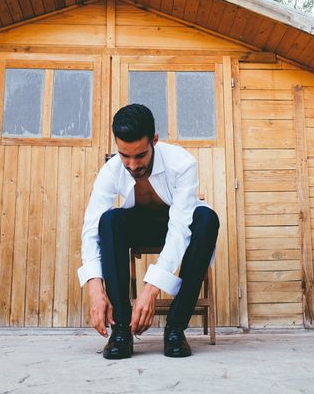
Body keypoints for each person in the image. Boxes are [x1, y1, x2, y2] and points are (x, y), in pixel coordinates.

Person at [77, 104, 219, 359]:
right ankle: (121, 330)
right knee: (109, 220)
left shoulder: (182, 163)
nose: (132, 165)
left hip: (177, 225)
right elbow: (91, 228)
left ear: (154, 140)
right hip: (141, 227)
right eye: (124, 155)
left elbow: (179, 229)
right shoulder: (111, 170)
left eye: (140, 155)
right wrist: (95, 288)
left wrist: (151, 289)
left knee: (207, 219)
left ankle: (175, 328)